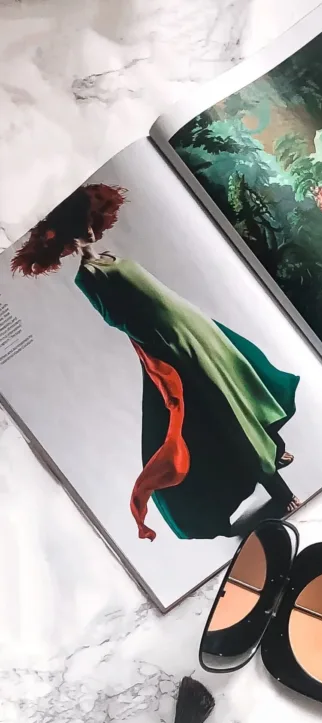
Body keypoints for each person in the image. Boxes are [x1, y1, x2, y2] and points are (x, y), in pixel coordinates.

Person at [11, 184, 301, 541]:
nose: (89, 231)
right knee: (226, 413)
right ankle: (280, 489)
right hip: (176, 347)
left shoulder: (110, 257)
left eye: (88, 222)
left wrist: (192, 323)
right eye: (80, 229)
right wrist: (165, 346)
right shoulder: (88, 275)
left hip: (197, 331)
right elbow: (118, 318)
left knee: (242, 387)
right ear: (69, 238)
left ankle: (275, 449)